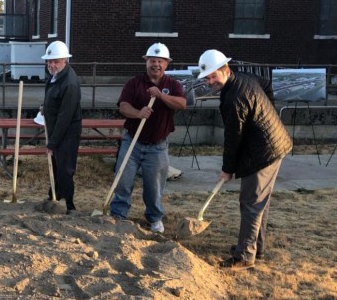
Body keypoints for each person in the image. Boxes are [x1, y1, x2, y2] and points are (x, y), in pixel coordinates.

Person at [197, 49, 292, 269]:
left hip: (264, 151)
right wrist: (268, 112)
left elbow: (233, 138)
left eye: (214, 76)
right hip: (273, 143)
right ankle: (256, 248)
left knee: (251, 203)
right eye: (207, 77)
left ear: (226, 70)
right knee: (259, 202)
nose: (211, 81)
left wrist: (227, 169)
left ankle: (244, 257)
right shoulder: (244, 78)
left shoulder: (233, 98)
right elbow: (266, 84)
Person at [110, 43, 186, 233]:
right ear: (146, 62)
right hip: (132, 142)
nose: (156, 65)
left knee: (154, 187)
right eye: (153, 60)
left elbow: (182, 104)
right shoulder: (134, 83)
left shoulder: (173, 85)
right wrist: (138, 113)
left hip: (157, 146)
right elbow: (123, 106)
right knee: (123, 181)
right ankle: (118, 215)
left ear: (167, 64)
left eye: (160, 61)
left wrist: (160, 96)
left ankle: (154, 219)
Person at [41, 41, 82, 214]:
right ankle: (54, 196)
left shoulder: (69, 83)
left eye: (55, 61)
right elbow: (54, 100)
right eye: (49, 61)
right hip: (56, 129)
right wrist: (46, 107)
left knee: (65, 168)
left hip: (66, 133)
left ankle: (68, 204)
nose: (51, 64)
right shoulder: (54, 76)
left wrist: (53, 143)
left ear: (64, 60)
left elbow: (65, 116)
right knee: (56, 165)